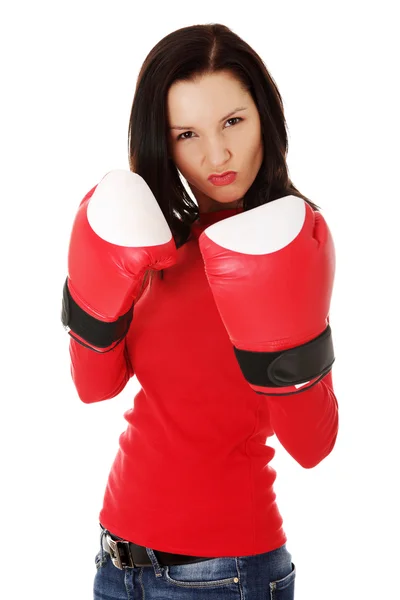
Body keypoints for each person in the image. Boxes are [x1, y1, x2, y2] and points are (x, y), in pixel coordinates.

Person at [61, 22, 339, 600]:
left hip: (225, 573)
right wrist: (93, 289)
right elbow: (95, 387)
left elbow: (312, 445)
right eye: (187, 133)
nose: (216, 154)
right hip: (116, 561)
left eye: (233, 121)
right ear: (164, 142)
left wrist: (283, 322)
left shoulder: (293, 244)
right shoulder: (153, 242)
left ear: (266, 116)